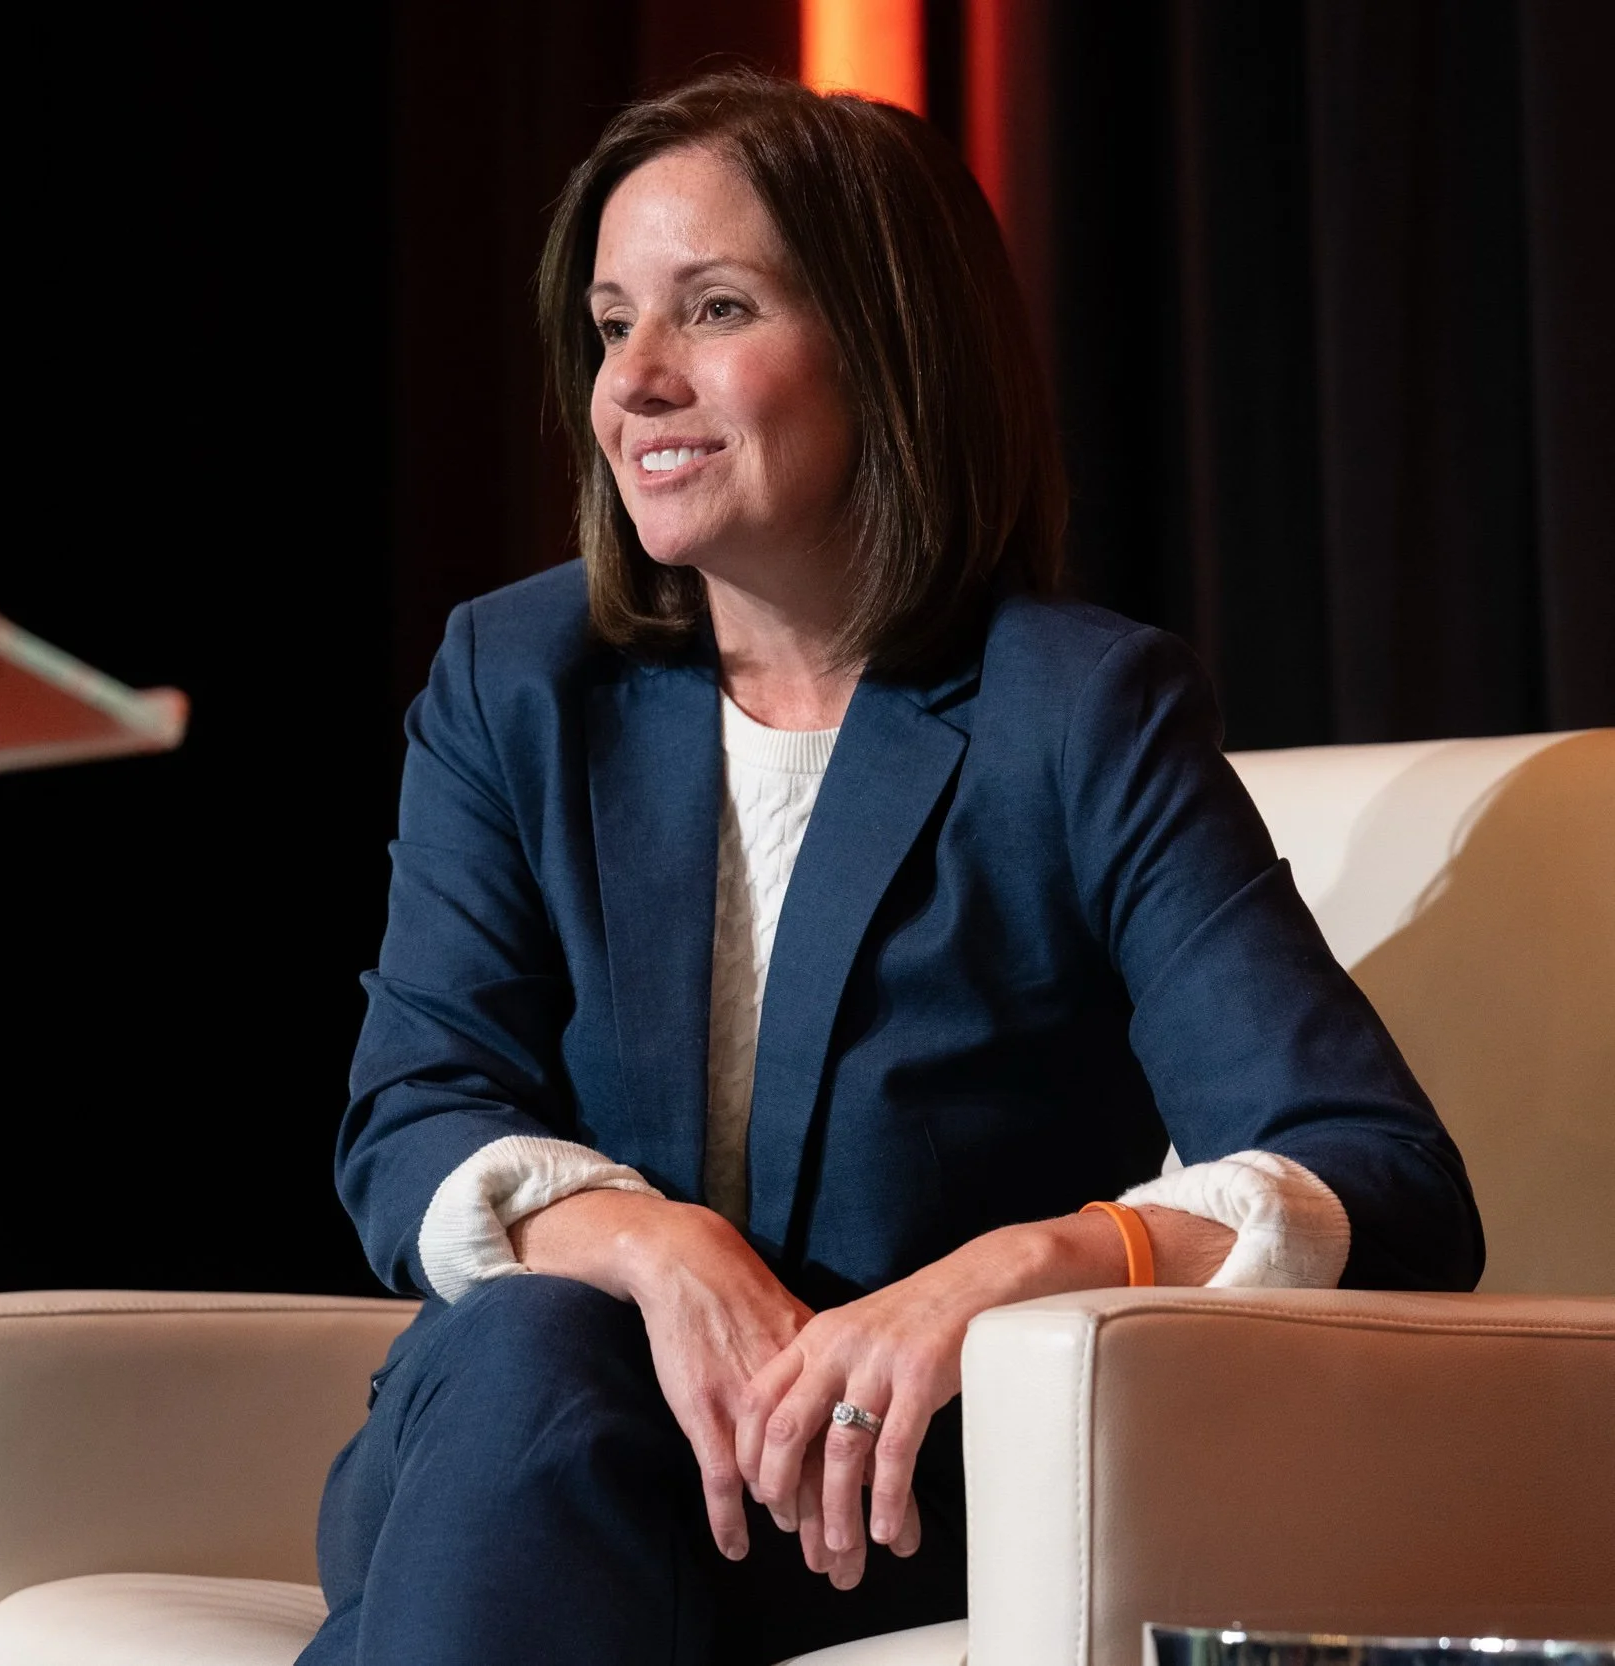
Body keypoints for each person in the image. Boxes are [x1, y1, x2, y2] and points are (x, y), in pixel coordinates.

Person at [302, 71, 1480, 1666]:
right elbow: (413, 1110)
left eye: (713, 309)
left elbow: (1380, 1175)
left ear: (886, 343)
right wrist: (658, 1246)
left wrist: (1026, 1264)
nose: (633, 380)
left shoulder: (1079, 711)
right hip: (523, 1448)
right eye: (611, 324)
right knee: (531, 1350)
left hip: (874, 1510)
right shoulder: (515, 681)